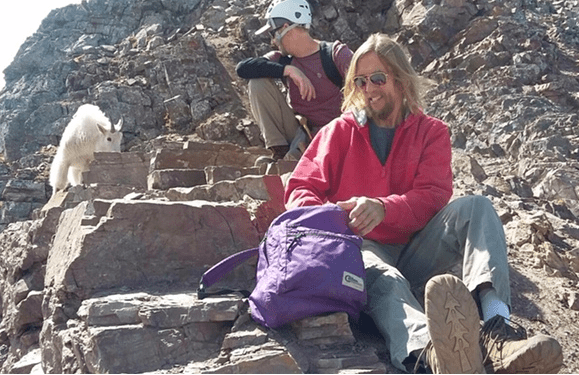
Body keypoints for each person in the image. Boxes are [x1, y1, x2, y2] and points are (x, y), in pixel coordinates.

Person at [285, 33, 563, 373]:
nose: (368, 88)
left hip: (420, 246)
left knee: (477, 207)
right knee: (382, 277)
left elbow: (433, 195)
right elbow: (300, 187)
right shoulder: (339, 131)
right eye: (360, 80)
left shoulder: (432, 131)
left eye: (378, 78)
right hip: (363, 246)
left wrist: (384, 207)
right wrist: (334, 216)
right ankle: (432, 356)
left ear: (401, 80)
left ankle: (498, 332)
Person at [236, 0, 353, 162]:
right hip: (302, 132)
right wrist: (289, 70)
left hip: (339, 133)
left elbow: (367, 92)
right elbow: (243, 69)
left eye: (273, 34)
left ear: (285, 28)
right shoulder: (283, 60)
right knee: (257, 82)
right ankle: (280, 151)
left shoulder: (335, 54)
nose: (273, 41)